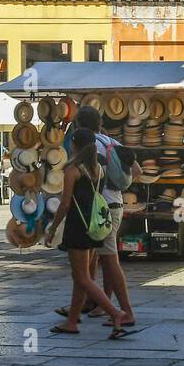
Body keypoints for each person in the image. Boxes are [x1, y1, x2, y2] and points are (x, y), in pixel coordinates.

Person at [54, 105, 138, 330]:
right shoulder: (113, 143)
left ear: (78, 126)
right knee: (94, 262)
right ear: (99, 123)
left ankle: (124, 312)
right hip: (115, 203)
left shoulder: (91, 145)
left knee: (108, 261)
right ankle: (82, 311)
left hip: (97, 209)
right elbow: (136, 171)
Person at [44, 128, 129, 339]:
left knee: (82, 277)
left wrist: (52, 228)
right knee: (80, 277)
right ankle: (72, 321)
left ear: (74, 144)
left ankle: (115, 312)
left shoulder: (72, 170)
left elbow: (64, 205)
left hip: (77, 226)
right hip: (93, 226)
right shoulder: (97, 168)